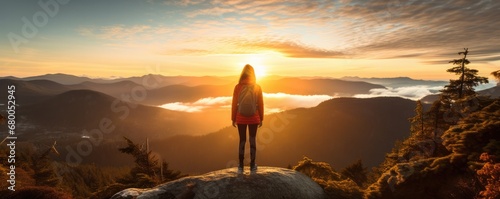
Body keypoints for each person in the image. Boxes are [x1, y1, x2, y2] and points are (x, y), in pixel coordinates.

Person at [231, 64, 264, 174]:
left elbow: (234, 103)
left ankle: (240, 166)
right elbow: (260, 103)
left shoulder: (238, 87)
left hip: (240, 117)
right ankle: (252, 165)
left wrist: (233, 118)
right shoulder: (257, 87)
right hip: (254, 117)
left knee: (242, 140)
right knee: (253, 140)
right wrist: (261, 118)